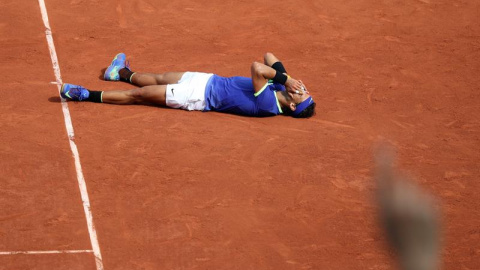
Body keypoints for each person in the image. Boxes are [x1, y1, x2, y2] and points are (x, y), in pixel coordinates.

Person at [60, 52, 316, 118]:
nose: (302, 90)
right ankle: (119, 72)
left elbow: (258, 66)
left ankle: (84, 95)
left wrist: (285, 80)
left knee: (138, 95)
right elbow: (269, 55)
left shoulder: (268, 103)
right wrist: (288, 79)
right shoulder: (279, 89)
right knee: (158, 77)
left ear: (292, 107)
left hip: (196, 97)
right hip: (206, 79)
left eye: (302, 95)